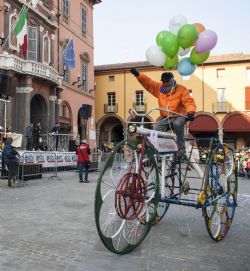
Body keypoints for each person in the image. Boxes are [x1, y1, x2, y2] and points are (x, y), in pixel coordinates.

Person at [130, 68, 196, 157]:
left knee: (177, 124)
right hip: (166, 116)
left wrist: (190, 112)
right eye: (163, 81)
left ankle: (181, 147)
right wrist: (138, 75)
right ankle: (154, 147)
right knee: (156, 130)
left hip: (179, 115)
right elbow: (148, 83)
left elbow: (188, 101)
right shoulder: (159, 88)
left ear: (172, 80)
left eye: (167, 81)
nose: (165, 83)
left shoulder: (181, 89)